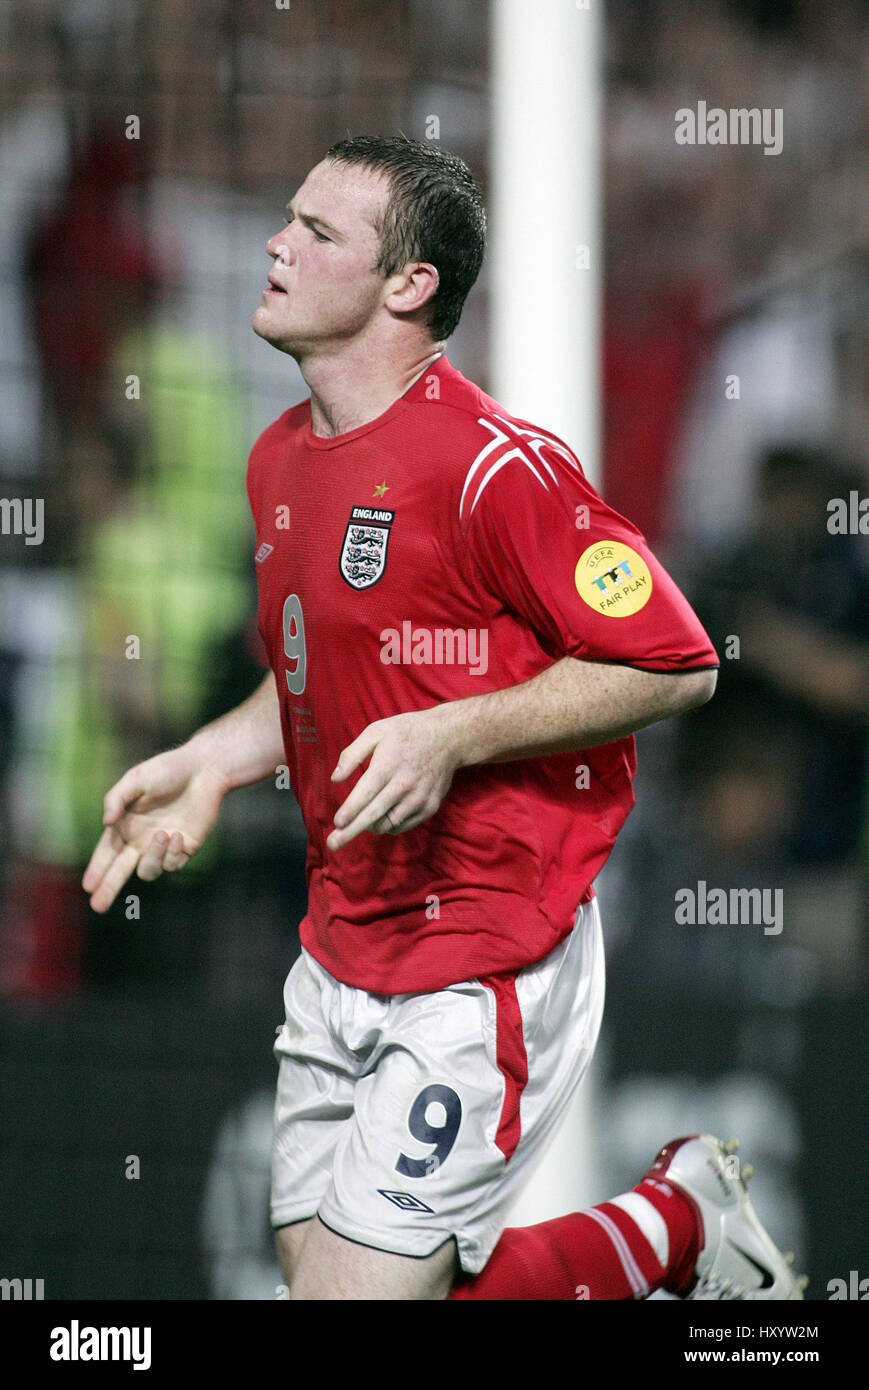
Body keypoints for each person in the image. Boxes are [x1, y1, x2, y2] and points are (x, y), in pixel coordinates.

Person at [82, 136, 804, 1301]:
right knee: (331, 1280)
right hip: (340, 940)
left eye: (319, 232)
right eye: (287, 219)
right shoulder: (278, 461)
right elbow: (321, 673)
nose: (276, 243)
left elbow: (674, 662)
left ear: (408, 284)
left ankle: (674, 1223)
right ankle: (675, 1223)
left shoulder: (492, 470)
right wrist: (212, 760)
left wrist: (450, 732)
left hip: (489, 948)